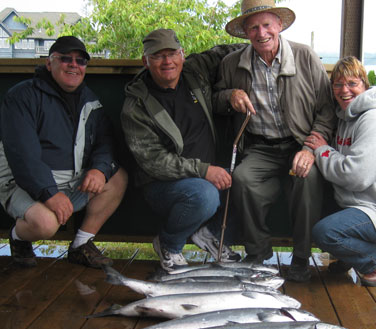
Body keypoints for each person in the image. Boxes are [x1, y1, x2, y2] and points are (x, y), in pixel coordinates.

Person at [213, 0, 336, 282]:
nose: (261, 33)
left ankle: (302, 257)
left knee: (308, 178)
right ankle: (258, 254)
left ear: (279, 25)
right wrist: (230, 96)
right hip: (260, 147)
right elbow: (215, 100)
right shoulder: (232, 64)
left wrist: (309, 148)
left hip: (299, 144)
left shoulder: (305, 56)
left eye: (267, 25)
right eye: (253, 27)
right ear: (245, 32)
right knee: (242, 178)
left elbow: (327, 109)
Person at [0, 36, 128, 268]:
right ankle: (18, 238)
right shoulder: (22, 96)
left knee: (117, 178)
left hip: (69, 182)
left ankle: (81, 245)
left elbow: (105, 141)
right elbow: (22, 155)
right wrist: (49, 194)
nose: (74, 65)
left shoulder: (90, 100)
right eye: (65, 59)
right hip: (22, 183)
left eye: (80, 61)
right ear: (49, 63)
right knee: (45, 225)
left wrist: (99, 169)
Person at [121, 29, 243, 271]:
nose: (167, 62)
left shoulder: (194, 71)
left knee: (247, 180)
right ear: (145, 61)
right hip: (161, 184)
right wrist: (204, 171)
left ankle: (209, 235)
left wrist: (260, 48)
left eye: (172, 53)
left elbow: (223, 51)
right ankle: (168, 244)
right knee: (204, 195)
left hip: (204, 175)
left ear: (182, 55)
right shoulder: (136, 105)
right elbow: (155, 161)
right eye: (157, 56)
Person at [304, 56, 376, 287]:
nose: (345, 90)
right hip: (356, 204)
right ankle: (348, 256)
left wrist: (322, 150)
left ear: (364, 84)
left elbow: (356, 175)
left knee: (325, 232)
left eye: (352, 83)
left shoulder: (375, 120)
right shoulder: (344, 117)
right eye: (338, 85)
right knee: (309, 207)